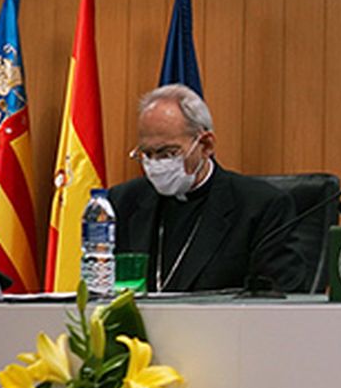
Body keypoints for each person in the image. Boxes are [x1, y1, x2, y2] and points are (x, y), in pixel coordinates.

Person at [110, 84, 307, 293]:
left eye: (167, 153)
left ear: (205, 145)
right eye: (147, 154)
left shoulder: (260, 206)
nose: (155, 164)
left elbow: (280, 299)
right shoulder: (123, 201)